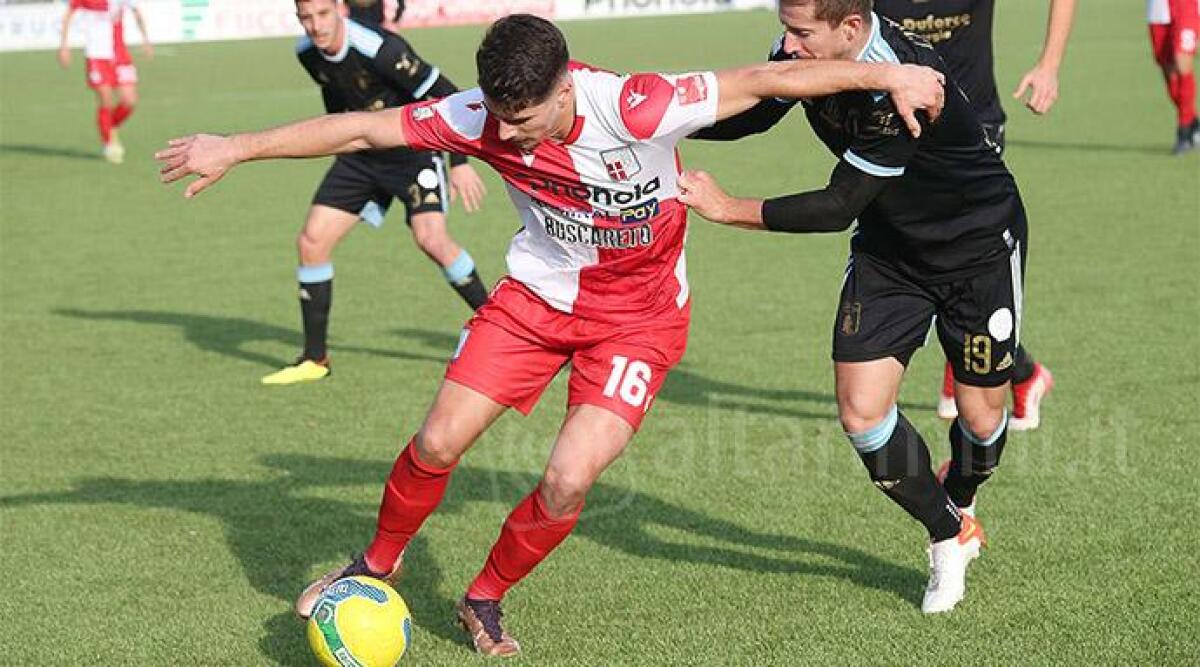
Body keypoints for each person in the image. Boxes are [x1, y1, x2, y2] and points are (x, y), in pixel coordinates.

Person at [156, 13, 945, 654]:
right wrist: (236, 146)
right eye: (504, 123)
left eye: (527, 121)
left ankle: (484, 597)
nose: (516, 139)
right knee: (437, 440)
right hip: (535, 300)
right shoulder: (478, 116)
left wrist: (890, 73)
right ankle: (374, 565)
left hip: (639, 320)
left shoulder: (638, 104)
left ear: (565, 87)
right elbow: (365, 133)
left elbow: (771, 78)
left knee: (569, 478)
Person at [680, 0, 1029, 614]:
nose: (787, 46)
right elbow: (756, 113)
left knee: (980, 419)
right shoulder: (809, 49)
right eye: (784, 29)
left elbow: (837, 205)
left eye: (800, 33)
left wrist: (726, 206)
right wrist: (657, 122)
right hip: (890, 254)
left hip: (976, 249)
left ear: (848, 28)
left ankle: (963, 489)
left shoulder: (908, 87)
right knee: (863, 413)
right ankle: (950, 534)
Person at [261, 0, 490, 386]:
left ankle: (498, 329)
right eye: (305, 18)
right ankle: (315, 359)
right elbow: (336, 101)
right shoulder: (306, 53)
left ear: (339, 9)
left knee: (431, 239)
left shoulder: (382, 48)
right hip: (361, 156)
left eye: (322, 15)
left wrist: (460, 164)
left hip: (412, 151)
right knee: (312, 241)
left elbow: (449, 97)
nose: (315, 27)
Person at [872, 0, 1073, 428]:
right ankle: (1016, 372)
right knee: (918, 255)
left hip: (973, 129)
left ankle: (993, 376)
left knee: (958, 260)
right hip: (898, 128)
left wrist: (1049, 65)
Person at [58, 0, 153, 164]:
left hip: (120, 54)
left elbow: (136, 12)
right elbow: (68, 15)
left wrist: (146, 40)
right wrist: (64, 46)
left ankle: (110, 126)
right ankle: (109, 143)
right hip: (96, 55)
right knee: (106, 99)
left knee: (130, 101)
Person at [1148, 0, 1200, 153]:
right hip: (1157, 9)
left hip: (1186, 5)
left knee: (1182, 59)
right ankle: (1193, 122)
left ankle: (1184, 131)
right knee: (1169, 72)